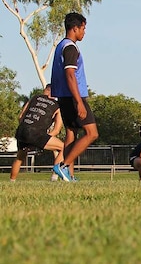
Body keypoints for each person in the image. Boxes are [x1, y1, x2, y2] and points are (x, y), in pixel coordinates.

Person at [50, 12, 98, 182]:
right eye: (83, 28)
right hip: (72, 97)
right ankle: (62, 166)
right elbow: (70, 74)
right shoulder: (70, 47)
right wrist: (79, 102)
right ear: (75, 28)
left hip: (62, 97)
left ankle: (68, 175)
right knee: (92, 133)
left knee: (71, 133)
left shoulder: (60, 46)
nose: (84, 32)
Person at [11, 84, 66, 182]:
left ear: (45, 90)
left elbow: (20, 117)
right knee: (63, 147)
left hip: (22, 130)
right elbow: (57, 130)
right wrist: (42, 140)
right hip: (36, 133)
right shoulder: (57, 106)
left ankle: (12, 181)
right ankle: (54, 177)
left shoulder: (34, 98)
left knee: (20, 157)